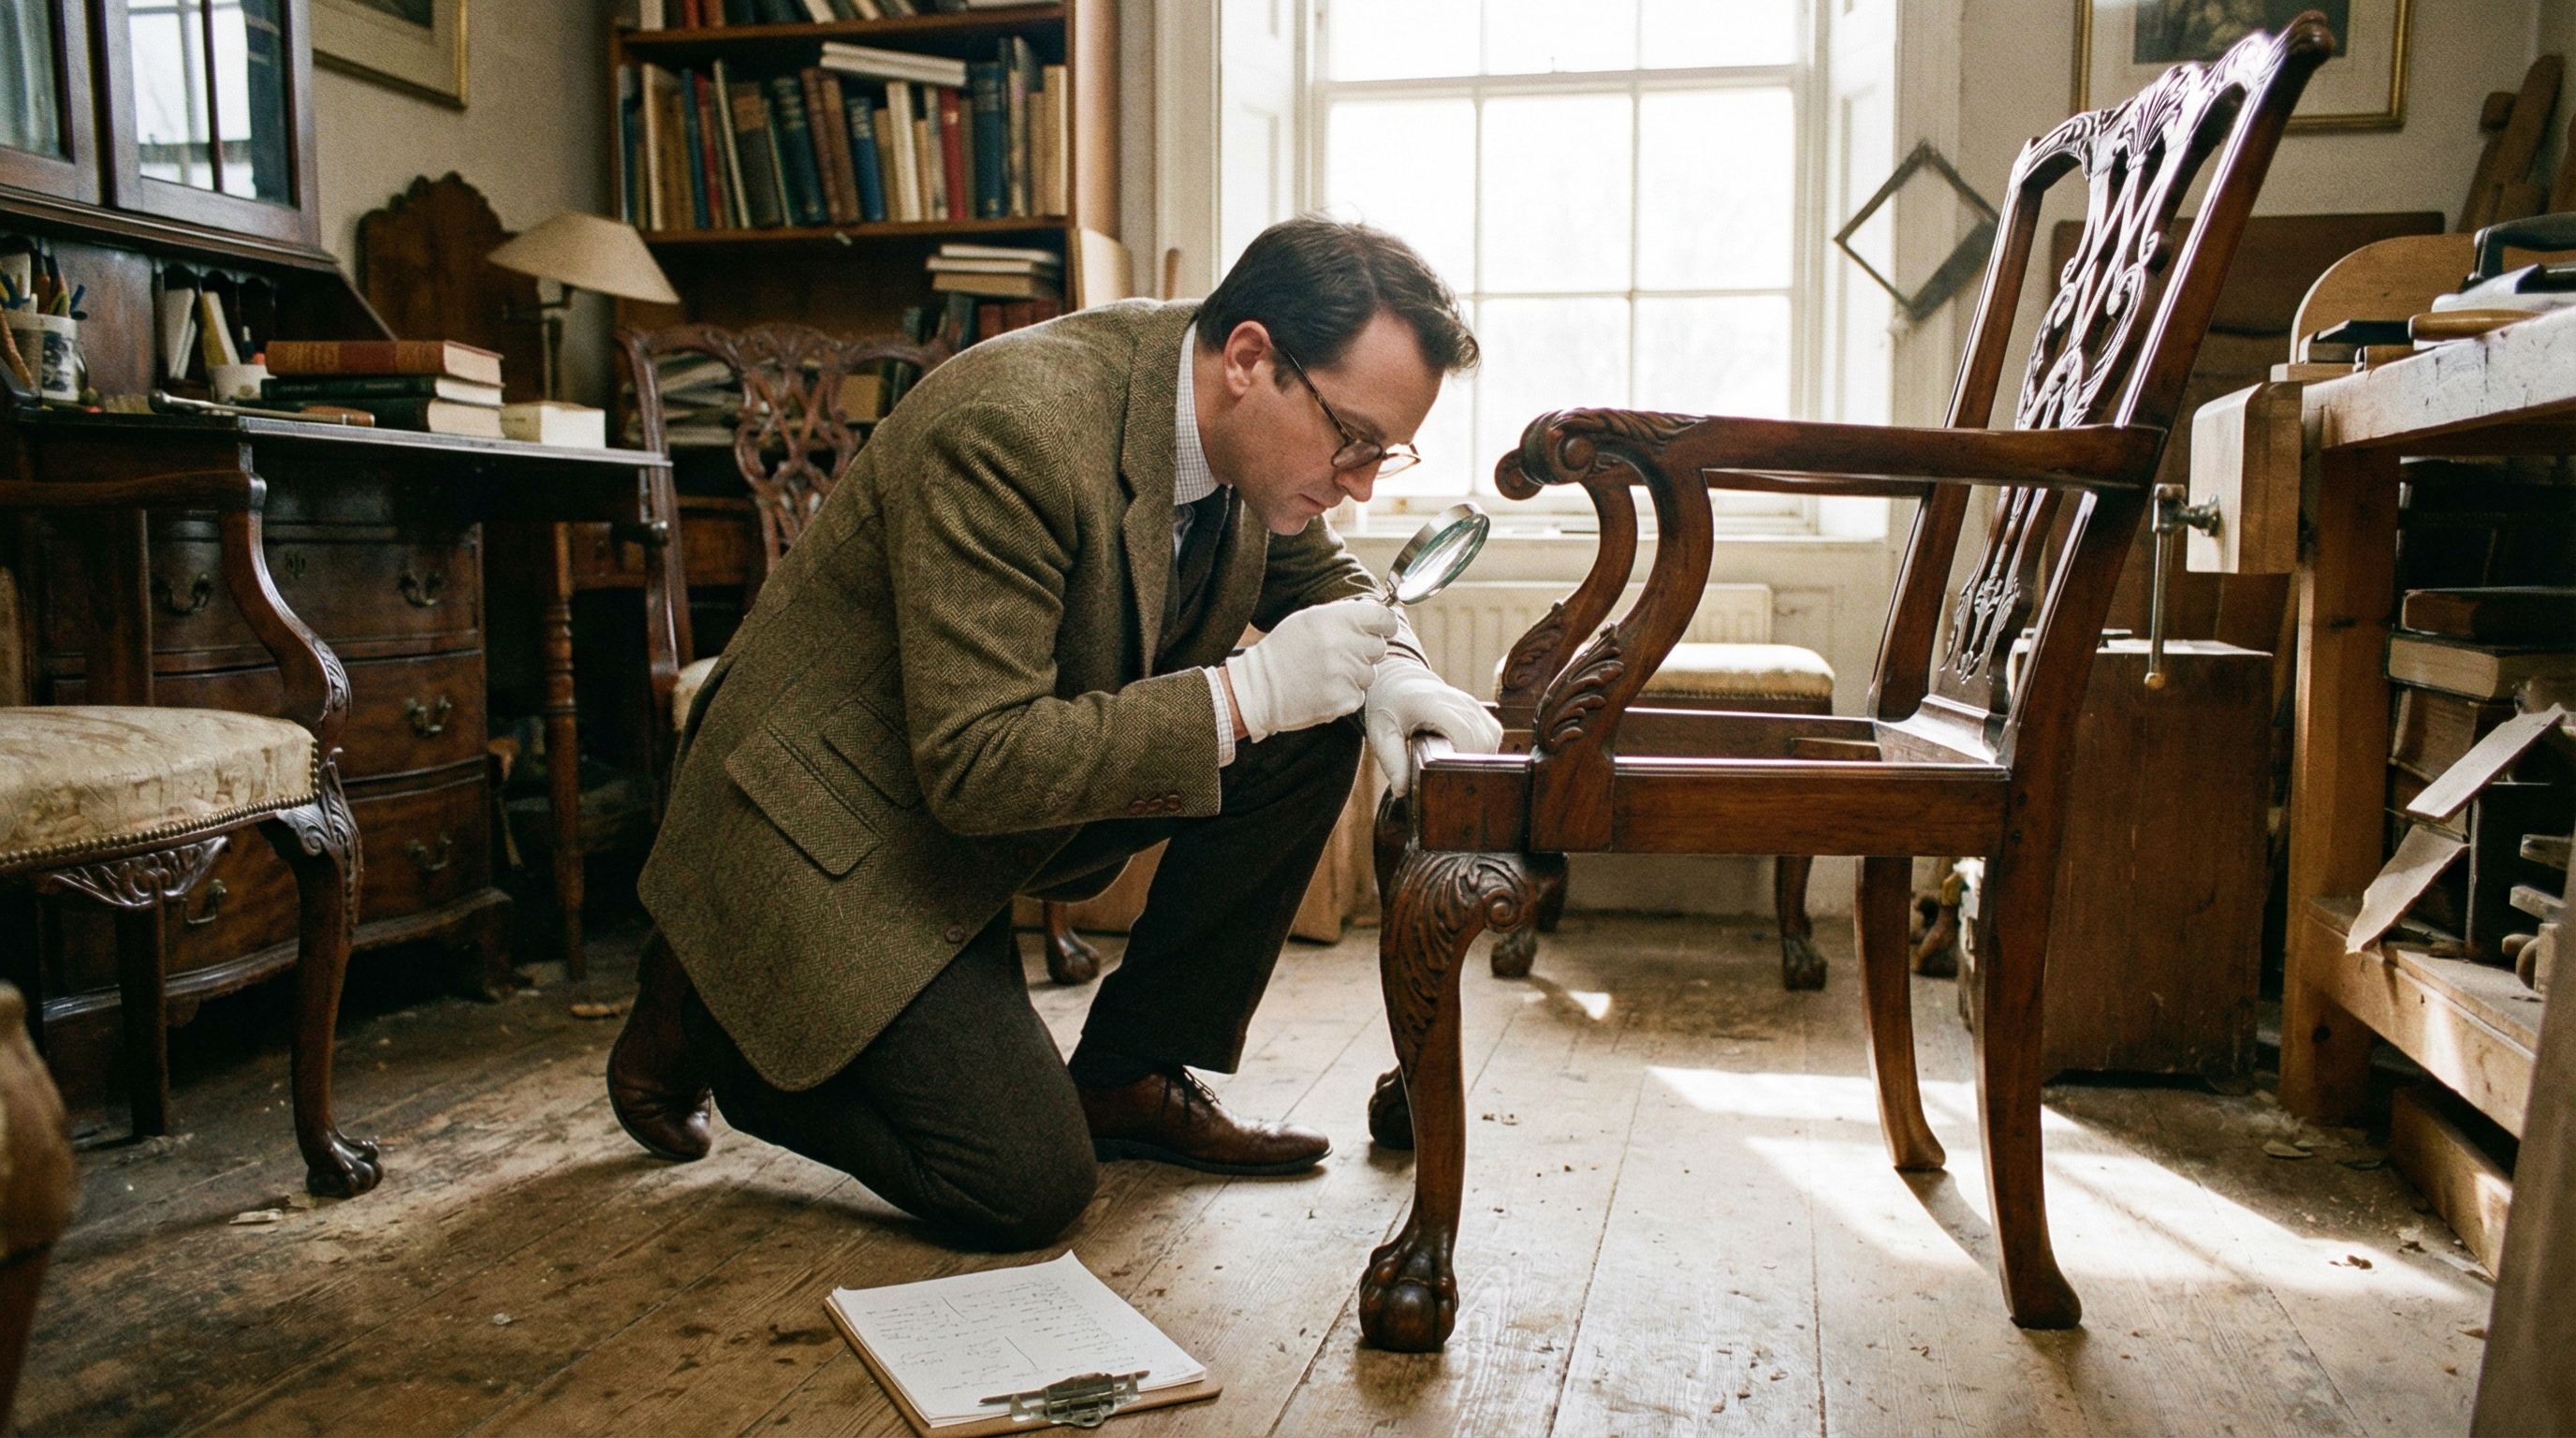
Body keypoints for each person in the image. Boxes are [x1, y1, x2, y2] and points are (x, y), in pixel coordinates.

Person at [608, 216, 1503, 1250]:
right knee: (1021, 1185)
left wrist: (1391, 670)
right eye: (1352, 441)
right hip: (834, 832)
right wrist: (1245, 696)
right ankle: (717, 1018)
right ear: (1251, 359)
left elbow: (1327, 581)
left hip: (980, 801)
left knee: (1321, 717)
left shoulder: (1235, 421)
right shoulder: (1013, 428)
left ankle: (1129, 1073)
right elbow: (979, 766)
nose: (1357, 482)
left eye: (1383, 454)